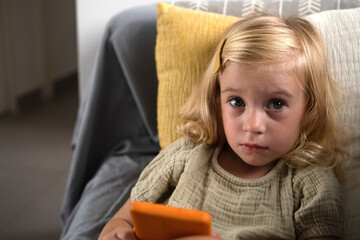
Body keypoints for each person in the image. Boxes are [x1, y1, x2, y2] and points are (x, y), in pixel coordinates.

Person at [98, 13, 349, 240]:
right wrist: (116, 233)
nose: (253, 126)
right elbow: (120, 220)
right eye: (236, 101)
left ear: (309, 108)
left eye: (276, 104)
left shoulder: (311, 183)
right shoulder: (185, 155)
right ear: (216, 100)